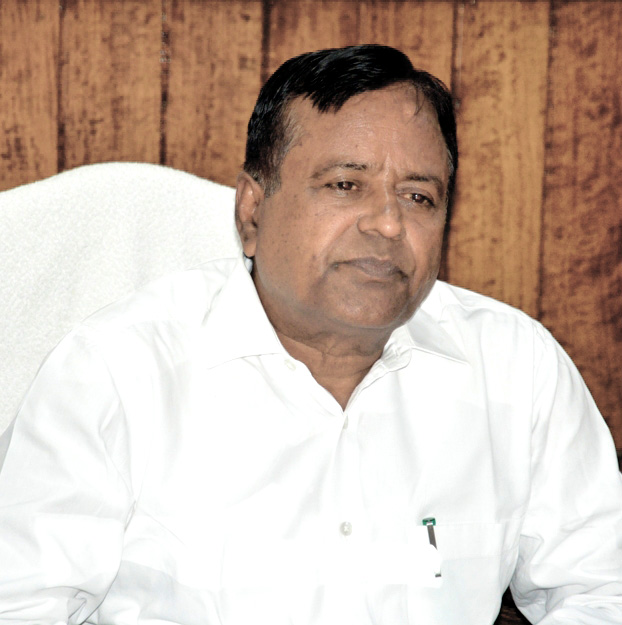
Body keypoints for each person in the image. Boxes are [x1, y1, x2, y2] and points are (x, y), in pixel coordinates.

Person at [0, 44, 620, 625]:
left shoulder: (517, 369)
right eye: (345, 185)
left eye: (418, 197)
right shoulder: (115, 371)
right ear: (252, 210)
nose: (387, 224)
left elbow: (601, 591)